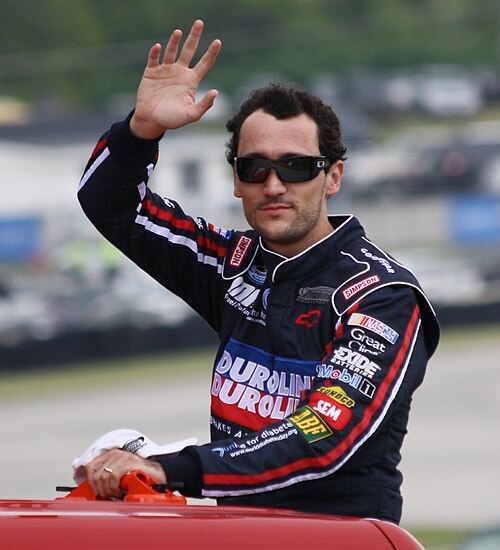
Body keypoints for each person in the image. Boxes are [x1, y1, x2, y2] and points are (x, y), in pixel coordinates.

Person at [78, 20, 439, 524]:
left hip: (337, 538)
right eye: (255, 168)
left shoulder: (381, 295)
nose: (273, 185)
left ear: (332, 175)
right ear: (236, 181)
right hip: (240, 532)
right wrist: (142, 131)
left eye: (296, 167)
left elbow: (321, 437)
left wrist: (170, 467)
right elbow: (111, 206)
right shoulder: (232, 263)